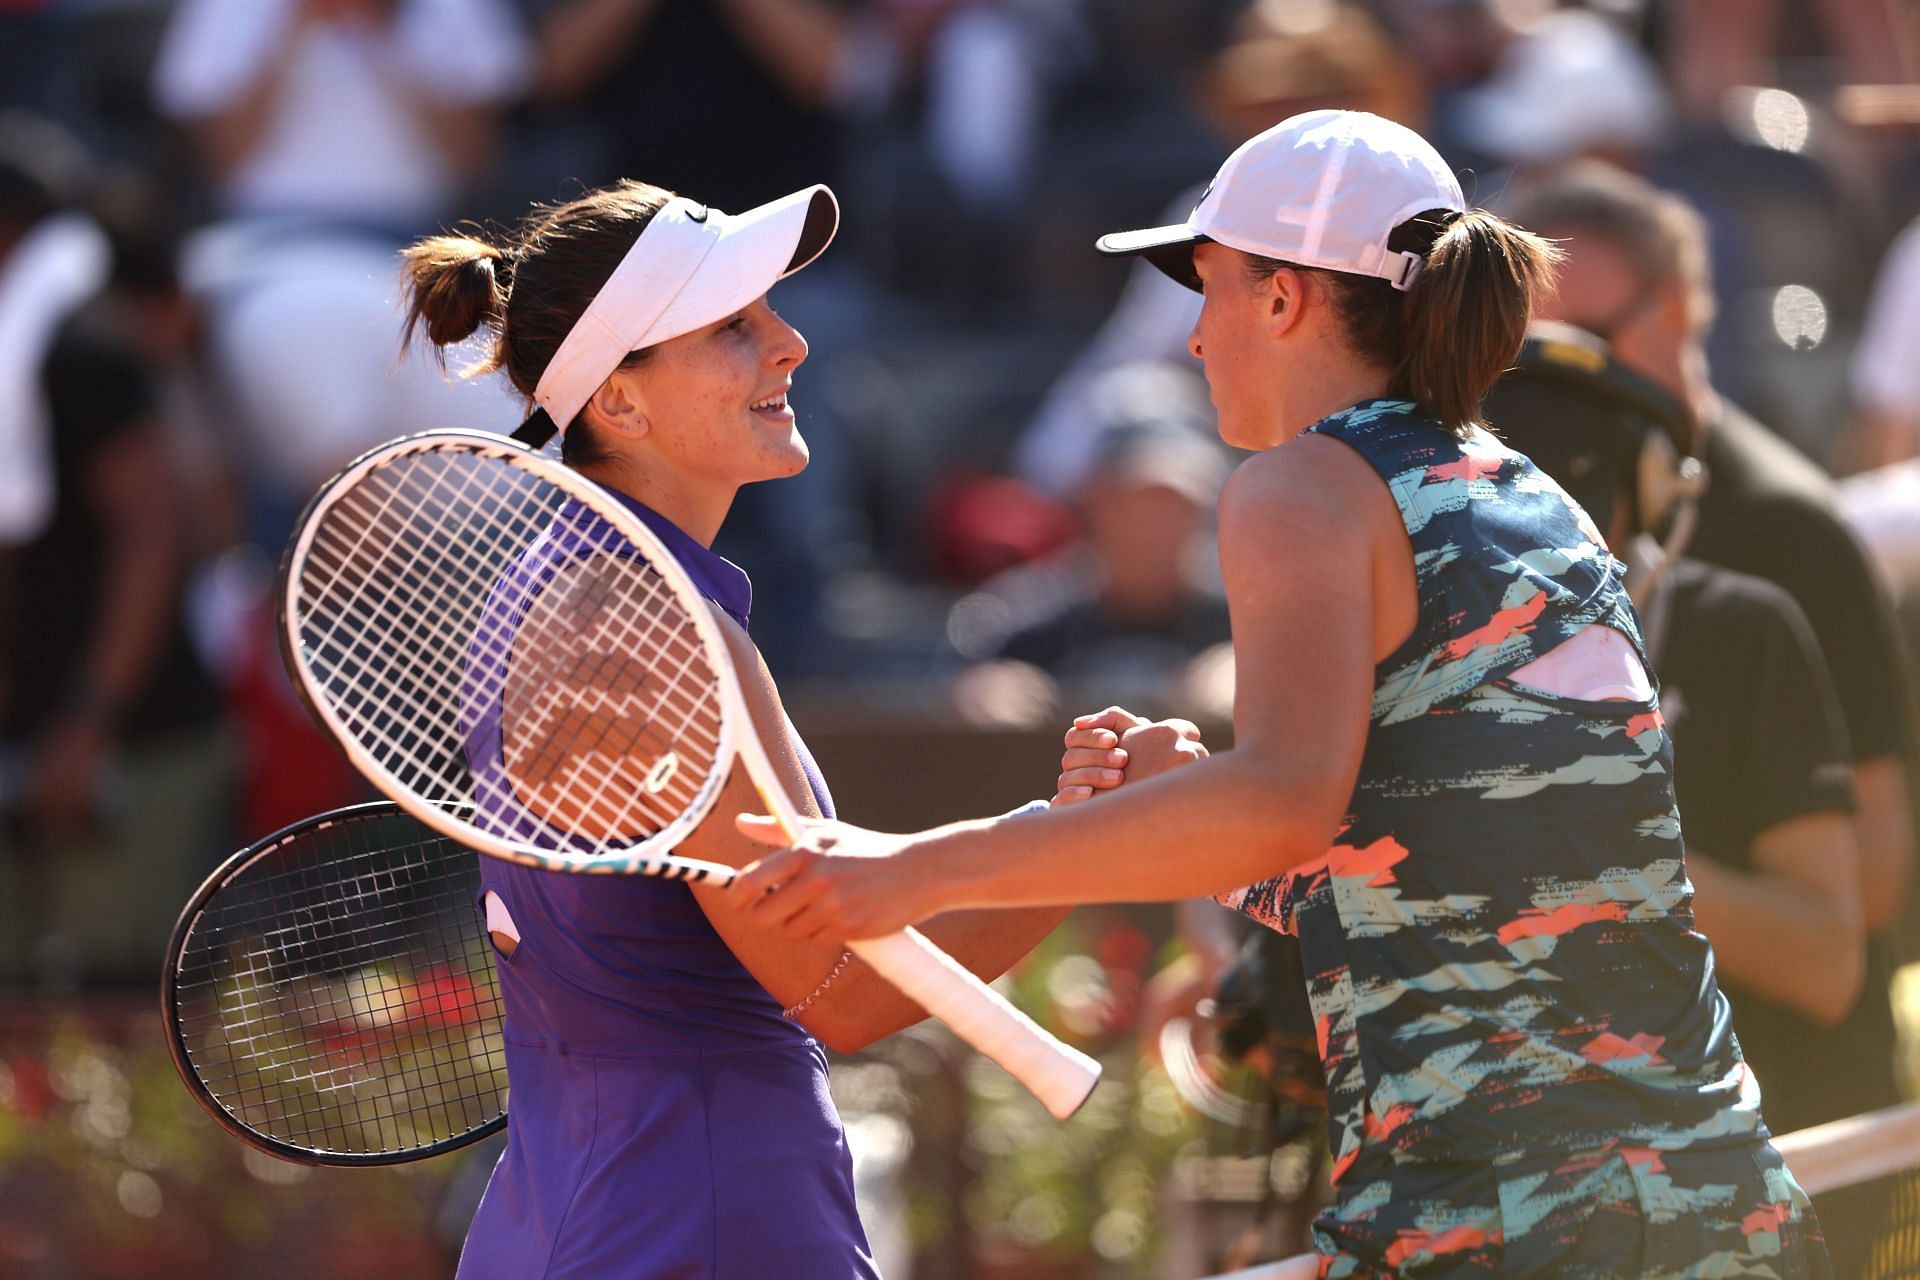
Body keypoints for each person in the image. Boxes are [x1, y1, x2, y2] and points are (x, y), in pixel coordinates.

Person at [729, 110, 1832, 1276]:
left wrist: (915, 869)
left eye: (1207, 288)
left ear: (1285, 298)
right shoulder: (1524, 491)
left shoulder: (1303, 483)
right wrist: (1206, 812)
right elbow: (1452, 869)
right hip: (1715, 1203)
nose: (1195, 339)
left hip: (1514, 1220)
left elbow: (1292, 799)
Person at [398, 177, 1072, 1279]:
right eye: (734, 328)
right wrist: (1087, 841)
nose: (792, 344)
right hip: (707, 1216)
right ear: (619, 400)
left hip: (582, 1211)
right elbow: (842, 990)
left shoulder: (558, 588)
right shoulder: (653, 632)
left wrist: (1052, 833)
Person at [1485, 327, 1902, 1277]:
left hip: (1730, 1209)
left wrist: (1601, 853)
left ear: (1659, 488)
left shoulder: (1739, 632)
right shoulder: (1394, 659)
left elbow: (1826, 959)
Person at [1503, 163, 1915, 964]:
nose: (1548, 384)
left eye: (1580, 344)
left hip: (1787, 1074)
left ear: (1676, 312)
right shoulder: (1511, 510)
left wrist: (1602, 861)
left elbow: (1878, 882)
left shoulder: (1787, 531)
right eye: (1520, 354)